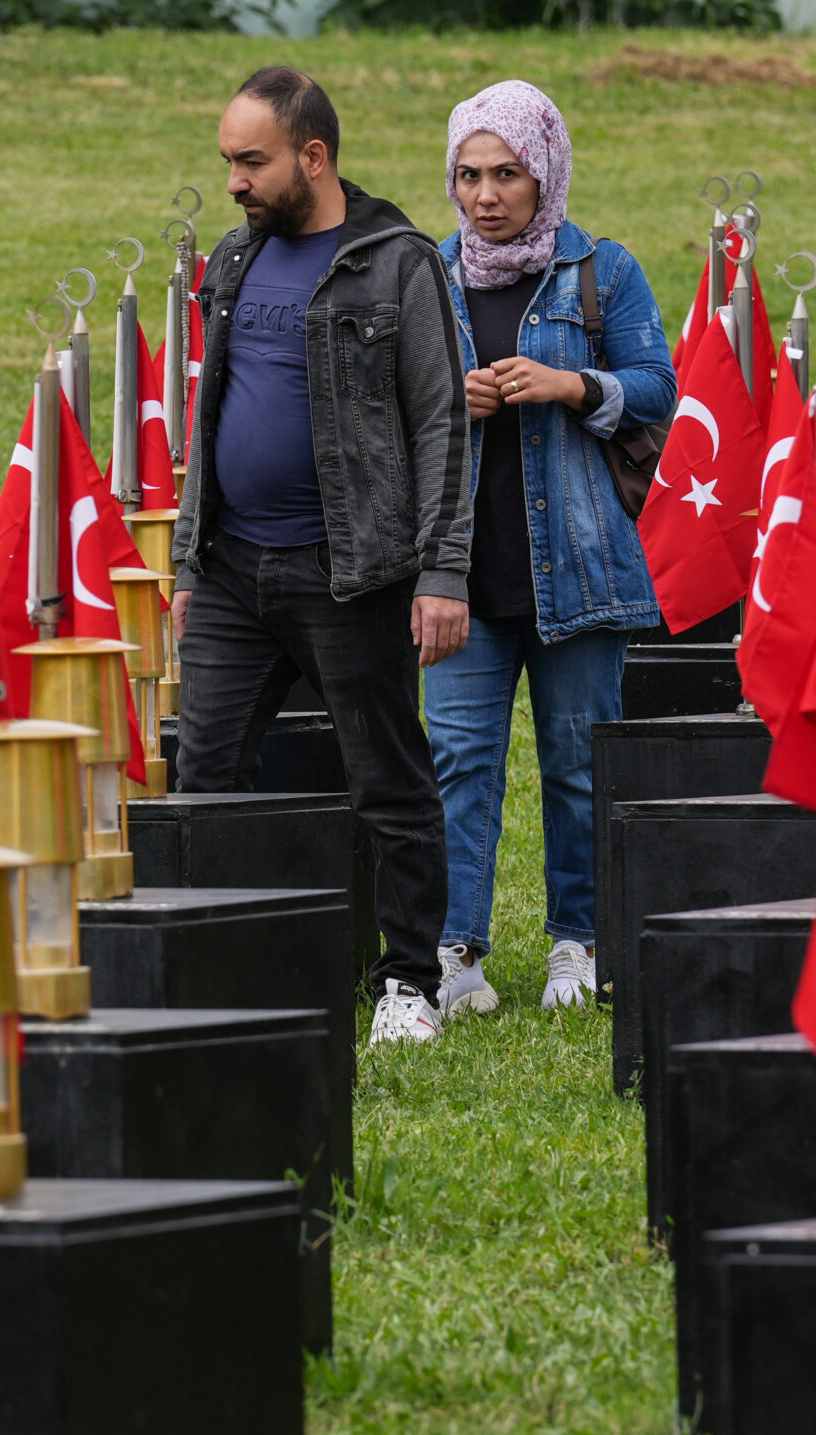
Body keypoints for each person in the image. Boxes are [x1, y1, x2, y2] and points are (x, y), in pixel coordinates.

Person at [170, 65, 473, 1047]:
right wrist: (186, 564)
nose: (234, 182)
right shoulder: (232, 260)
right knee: (202, 774)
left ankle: (408, 985)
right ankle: (208, 966)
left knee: (385, 777)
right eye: (227, 162)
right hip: (229, 571)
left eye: (251, 162)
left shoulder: (396, 262)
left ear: (313, 156)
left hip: (352, 572)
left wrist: (440, 572)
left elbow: (440, 422)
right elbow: (204, 415)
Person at [421, 79, 675, 1017]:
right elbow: (383, 404)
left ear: (547, 174)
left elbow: (660, 390)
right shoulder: (425, 275)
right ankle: (456, 952)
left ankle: (578, 938)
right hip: (459, 575)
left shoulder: (602, 271)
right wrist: (457, 396)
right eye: (468, 175)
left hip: (579, 565)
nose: (486, 195)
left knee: (576, 760)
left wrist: (571, 384)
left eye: (507, 174)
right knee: (457, 759)